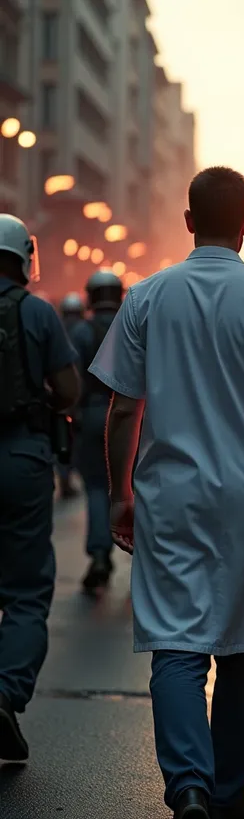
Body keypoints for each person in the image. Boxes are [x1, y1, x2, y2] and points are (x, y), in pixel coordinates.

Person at [89, 166, 244, 819]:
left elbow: (121, 409)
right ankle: (227, 793)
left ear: (188, 220)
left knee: (176, 643)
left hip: (170, 496)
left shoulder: (146, 298)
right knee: (242, 645)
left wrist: (120, 494)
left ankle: (189, 786)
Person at [0, 214, 80, 761]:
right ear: (24, 256)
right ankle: (4, 695)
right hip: (21, 459)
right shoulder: (37, 313)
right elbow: (69, 390)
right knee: (26, 591)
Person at [70, 270, 124, 592]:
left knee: (94, 487)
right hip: (133, 415)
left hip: (91, 414)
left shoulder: (81, 331)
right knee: (138, 488)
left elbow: (72, 378)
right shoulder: (134, 325)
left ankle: (101, 554)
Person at [56, 292, 85, 499]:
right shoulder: (85, 330)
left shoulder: (58, 329)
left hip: (62, 400)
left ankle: (65, 481)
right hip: (80, 400)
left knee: (63, 444)